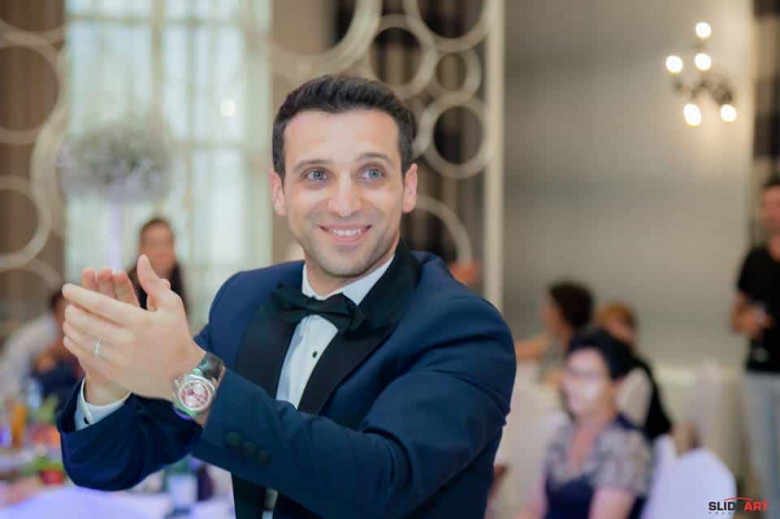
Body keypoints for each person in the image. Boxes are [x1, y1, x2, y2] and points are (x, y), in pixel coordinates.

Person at [56, 75, 516, 519]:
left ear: (408, 187)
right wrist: (108, 381)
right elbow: (107, 466)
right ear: (279, 192)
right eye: (317, 175)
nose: (344, 203)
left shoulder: (462, 327)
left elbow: (381, 484)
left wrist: (190, 376)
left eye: (371, 173)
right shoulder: (244, 302)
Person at [524, 329, 653, 519]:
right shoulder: (564, 432)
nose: (575, 385)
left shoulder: (627, 446)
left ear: (616, 385)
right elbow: (533, 511)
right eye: (572, 373)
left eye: (590, 377)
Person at [732, 177, 780, 519]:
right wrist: (744, 321)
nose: (771, 212)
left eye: (777, 204)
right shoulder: (754, 259)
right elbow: (734, 316)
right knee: (763, 462)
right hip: (757, 373)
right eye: (766, 205)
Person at [596, 302, 673, 441]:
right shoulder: (599, 365)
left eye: (624, 325)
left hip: (646, 436)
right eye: (611, 327)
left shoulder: (637, 369)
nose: (617, 331)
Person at [515, 281, 593, 384]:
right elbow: (514, 352)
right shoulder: (552, 342)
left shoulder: (585, 350)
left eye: (549, 306)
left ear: (562, 311)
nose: (543, 311)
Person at [0, 291, 67, 400]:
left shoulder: (65, 333)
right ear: (54, 313)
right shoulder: (34, 338)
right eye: (65, 311)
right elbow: (12, 379)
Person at [127, 217, 188, 311]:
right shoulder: (128, 288)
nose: (161, 251)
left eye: (167, 243)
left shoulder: (180, 281)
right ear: (140, 249)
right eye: (153, 244)